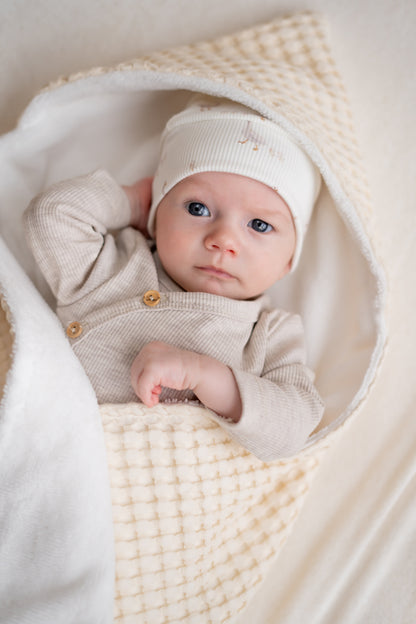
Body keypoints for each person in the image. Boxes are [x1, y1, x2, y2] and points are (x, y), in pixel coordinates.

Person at [24, 95, 324, 461]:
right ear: (157, 214)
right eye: (198, 208)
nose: (223, 240)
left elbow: (294, 425)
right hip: (49, 449)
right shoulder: (117, 268)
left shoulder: (268, 334)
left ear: (288, 261)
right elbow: (51, 214)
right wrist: (132, 202)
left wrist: (205, 375)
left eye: (259, 225)